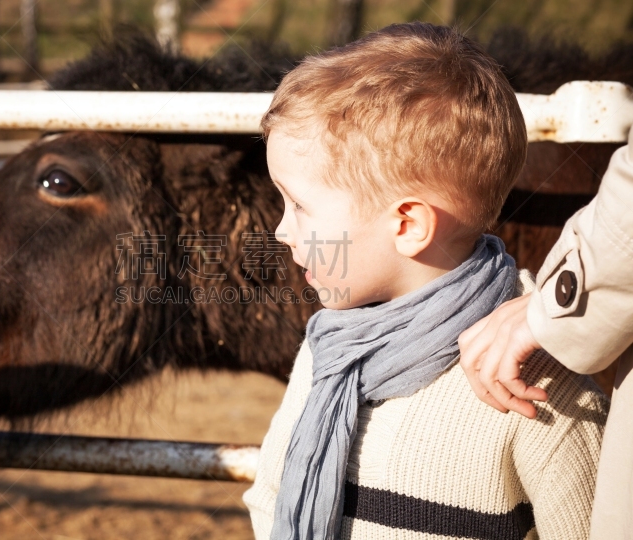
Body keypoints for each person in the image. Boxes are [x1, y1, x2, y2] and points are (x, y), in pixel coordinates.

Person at [243, 22, 609, 540]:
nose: (280, 230)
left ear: (408, 225)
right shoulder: (331, 346)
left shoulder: (539, 379)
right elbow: (272, 497)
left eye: (299, 205)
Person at [458, 126, 633, 538]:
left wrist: (560, 299)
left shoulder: (555, 395)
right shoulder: (325, 354)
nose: (283, 232)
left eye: (302, 207)